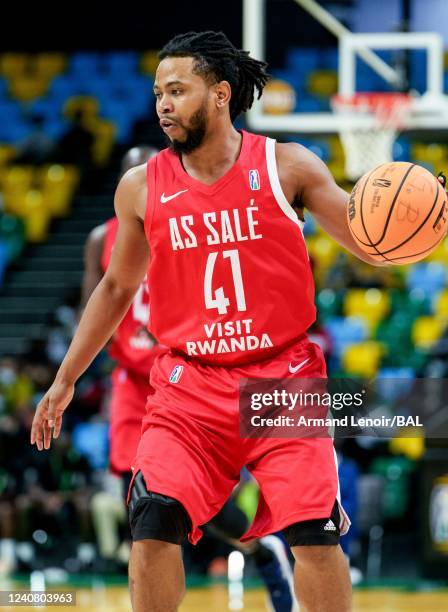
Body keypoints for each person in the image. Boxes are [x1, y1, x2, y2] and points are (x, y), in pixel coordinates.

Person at [31, 31, 448, 612]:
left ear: (221, 94)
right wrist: (65, 379)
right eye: (158, 92)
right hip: (190, 384)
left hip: (282, 381)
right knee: (152, 522)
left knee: (314, 536)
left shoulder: (287, 167)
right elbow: (116, 288)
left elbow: (371, 240)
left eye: (177, 91)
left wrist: (423, 217)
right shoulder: (140, 188)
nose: (163, 105)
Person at [85, 145, 297, 610]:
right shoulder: (103, 238)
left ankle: (254, 547)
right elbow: (99, 299)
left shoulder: (185, 216)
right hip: (128, 376)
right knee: (139, 483)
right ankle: (236, 551)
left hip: (178, 368)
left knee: (166, 490)